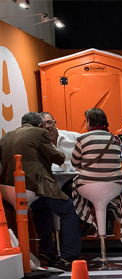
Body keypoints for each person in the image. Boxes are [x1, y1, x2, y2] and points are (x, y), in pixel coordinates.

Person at [0, 111, 81, 269]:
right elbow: (57, 158)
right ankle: (69, 255)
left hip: (6, 189)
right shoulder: (39, 133)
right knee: (69, 210)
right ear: (39, 125)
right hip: (31, 186)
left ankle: (46, 252)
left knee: (41, 208)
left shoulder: (6, 136)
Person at [71, 108, 122, 242]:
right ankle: (109, 213)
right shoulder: (115, 139)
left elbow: (75, 163)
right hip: (114, 186)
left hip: (89, 187)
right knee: (110, 197)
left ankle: (88, 221)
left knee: (74, 190)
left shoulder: (82, 138)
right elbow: (118, 160)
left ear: (88, 121)